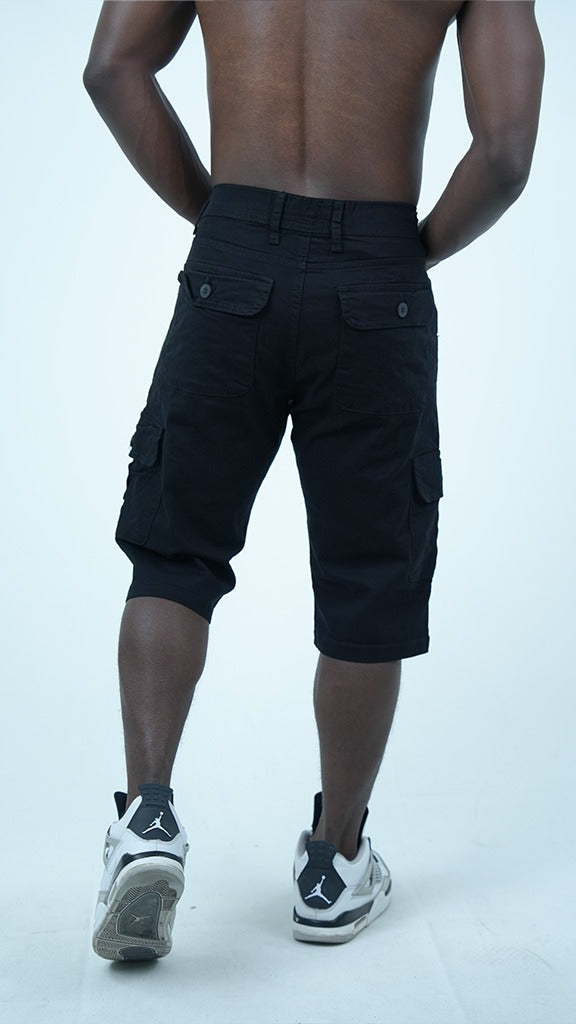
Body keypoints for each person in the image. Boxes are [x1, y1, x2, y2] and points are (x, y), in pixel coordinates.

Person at [83, 0, 545, 961]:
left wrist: (223, 218)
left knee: (173, 552)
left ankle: (148, 820)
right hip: (376, 273)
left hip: (234, 252)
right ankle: (333, 866)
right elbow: (505, 152)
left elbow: (113, 66)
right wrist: (409, 250)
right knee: (368, 581)